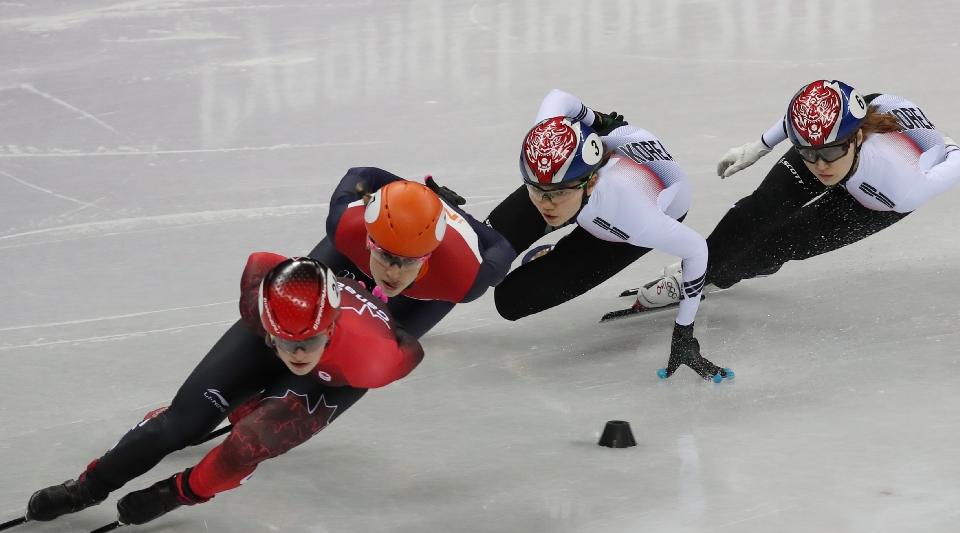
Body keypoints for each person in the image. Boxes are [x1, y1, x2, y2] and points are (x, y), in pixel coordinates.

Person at [21, 255, 423, 528]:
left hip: (335, 373)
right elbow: (262, 262)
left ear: (332, 327)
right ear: (266, 321)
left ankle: (177, 492)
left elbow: (412, 351)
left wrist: (392, 324)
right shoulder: (256, 302)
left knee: (249, 443)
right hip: (271, 333)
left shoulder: (375, 359)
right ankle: (87, 487)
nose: (298, 352)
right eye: (285, 340)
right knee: (177, 427)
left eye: (310, 340)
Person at [486, 89, 732, 381]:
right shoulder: (552, 164)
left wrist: (684, 333)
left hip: (627, 215)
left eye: (557, 194)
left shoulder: (635, 218)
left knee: (511, 301)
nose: (545, 204)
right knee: (482, 249)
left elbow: (696, 250)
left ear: (590, 184)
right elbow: (557, 97)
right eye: (535, 190)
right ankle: (556, 203)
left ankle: (553, 253)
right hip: (604, 153)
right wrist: (595, 119)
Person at [637, 79, 960, 300]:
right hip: (859, 140)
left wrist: (949, 150)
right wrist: (757, 147)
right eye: (807, 152)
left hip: (874, 199)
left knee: (780, 244)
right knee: (757, 210)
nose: (820, 165)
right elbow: (804, 119)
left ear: (857, 138)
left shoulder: (902, 185)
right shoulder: (824, 141)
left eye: (830, 153)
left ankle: (720, 276)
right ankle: (693, 273)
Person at [308, 170, 515, 339]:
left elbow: (501, 246)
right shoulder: (345, 225)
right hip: (358, 252)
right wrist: (411, 192)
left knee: (374, 341)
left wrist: (460, 216)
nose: (393, 273)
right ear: (368, 238)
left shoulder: (462, 278)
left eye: (409, 261)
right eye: (385, 255)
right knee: (304, 298)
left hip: (430, 284)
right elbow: (361, 173)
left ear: (428, 255)